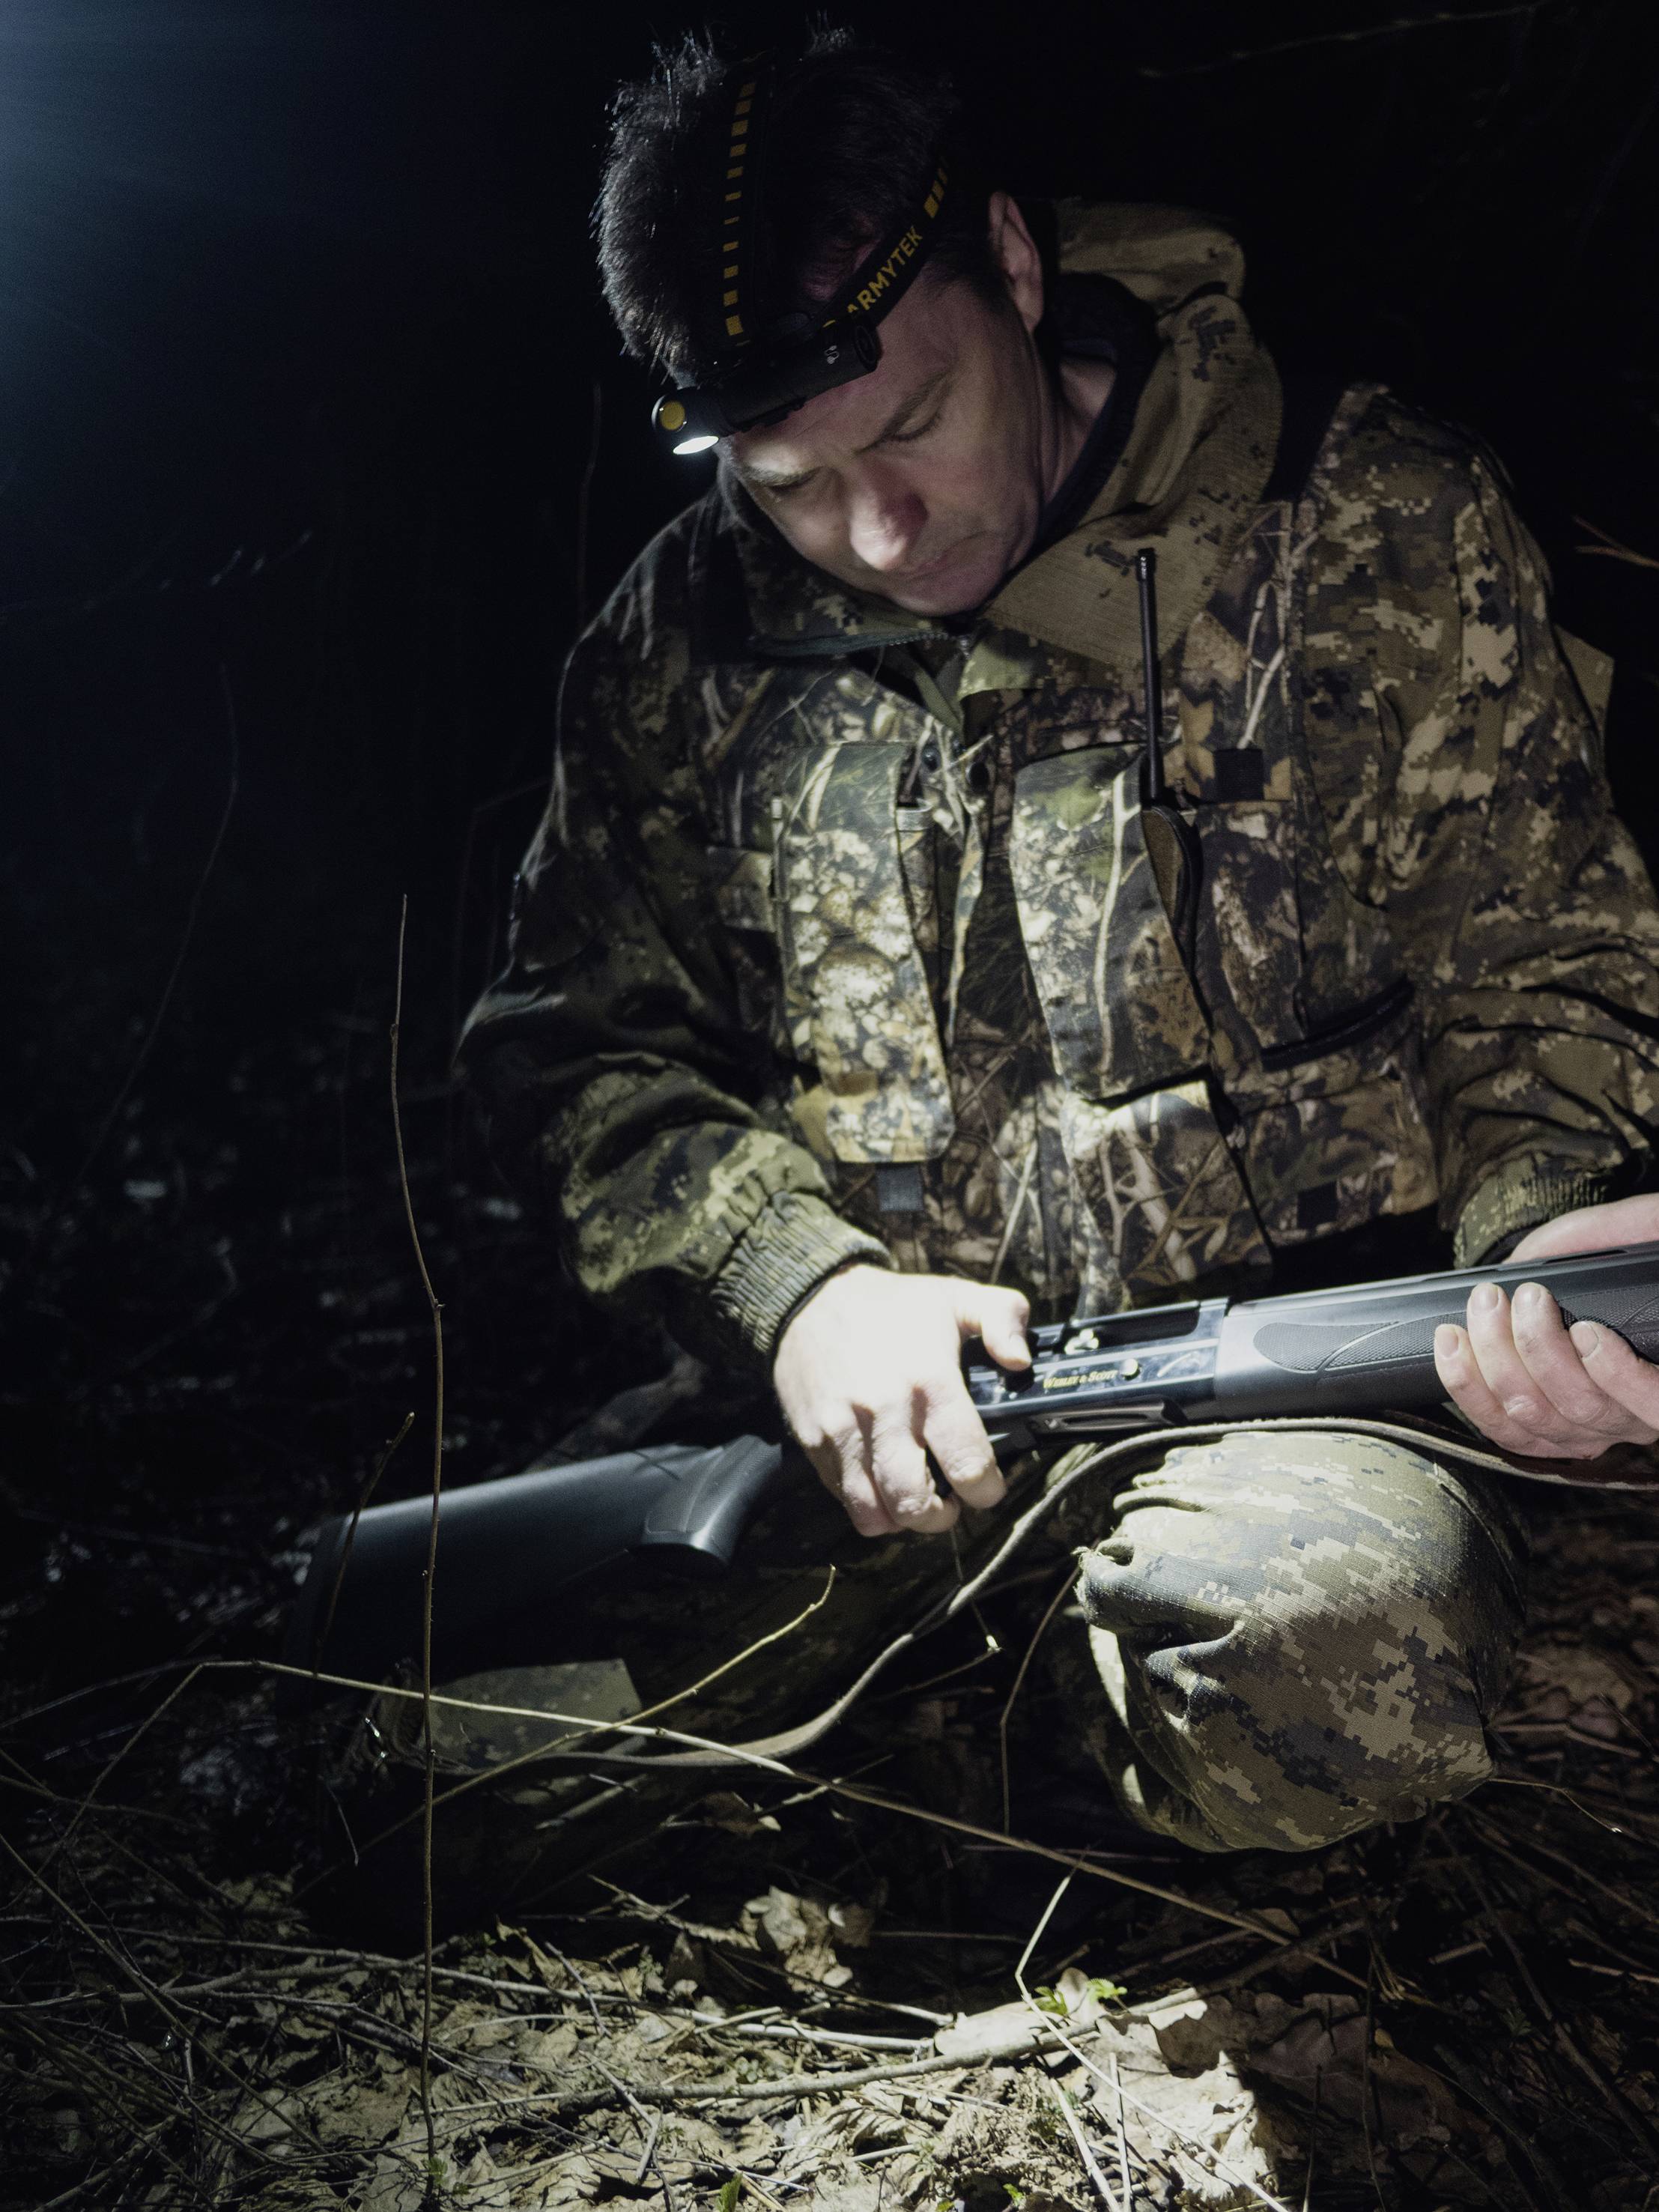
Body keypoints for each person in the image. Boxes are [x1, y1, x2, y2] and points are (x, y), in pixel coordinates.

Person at [454, 30, 1659, 1857]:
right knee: (425, 1745)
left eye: (916, 424)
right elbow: (569, 1048)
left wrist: (1552, 1219)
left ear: (1012, 268)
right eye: (784, 477)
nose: (874, 530)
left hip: (1292, 1413)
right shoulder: (672, 640)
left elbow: (1544, 963)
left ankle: (963, 1774)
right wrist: (798, 1286)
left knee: (1321, 1673)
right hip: (874, 1442)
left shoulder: (1365, 516)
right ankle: (961, 1741)